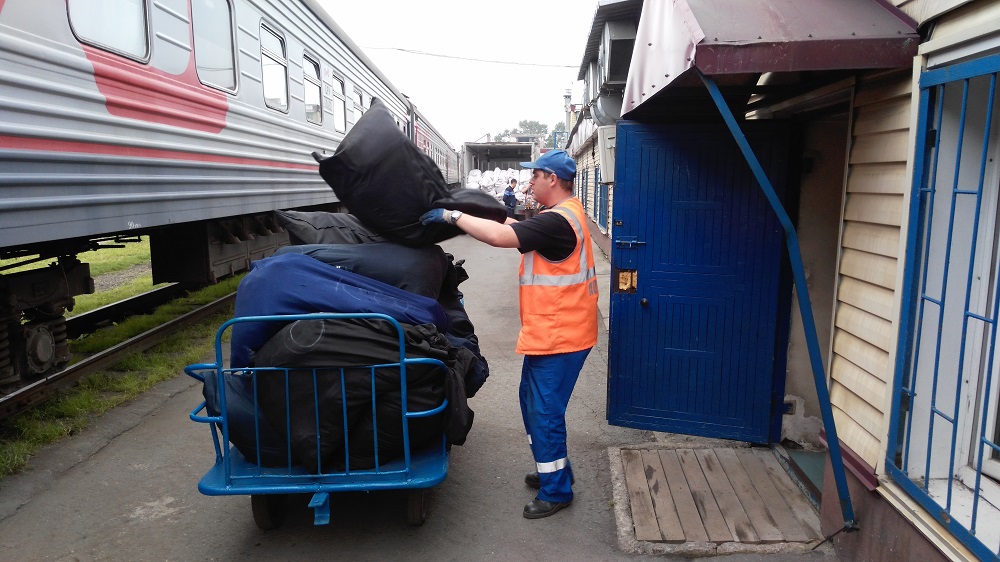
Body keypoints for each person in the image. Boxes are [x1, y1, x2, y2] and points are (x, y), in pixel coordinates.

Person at [419, 150, 598, 519]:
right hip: (553, 331)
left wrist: (453, 215)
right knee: (533, 403)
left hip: (561, 335)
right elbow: (514, 226)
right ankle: (554, 468)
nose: (530, 182)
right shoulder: (564, 215)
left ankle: (557, 491)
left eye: (535, 176)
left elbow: (502, 237)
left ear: (552, 178)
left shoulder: (557, 222)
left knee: (544, 410)